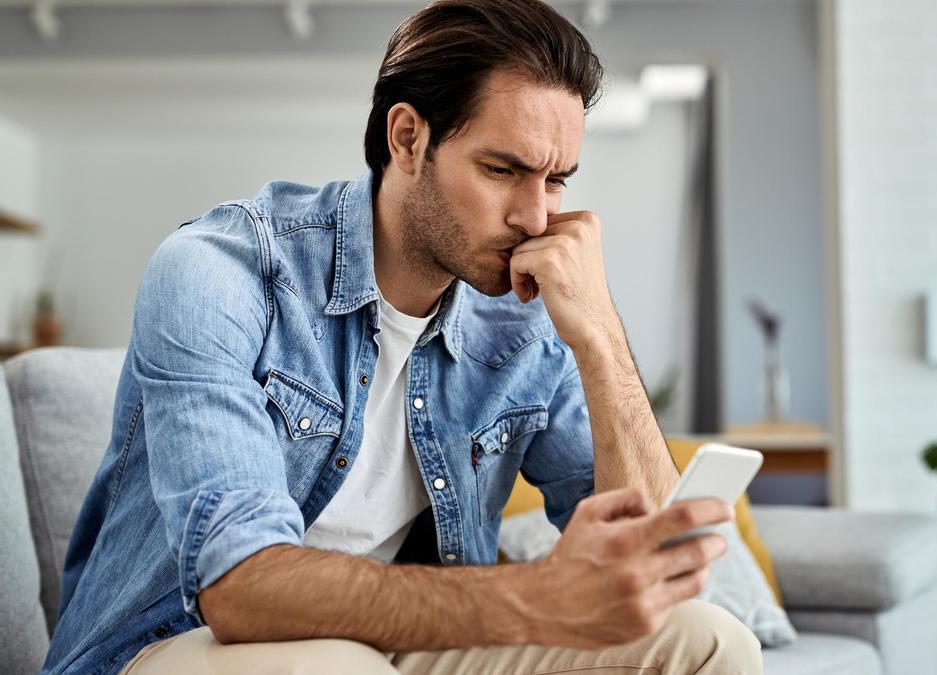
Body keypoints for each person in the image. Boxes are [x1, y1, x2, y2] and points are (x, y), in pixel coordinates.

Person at [40, 1, 762, 673]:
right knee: (333, 665)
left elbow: (658, 563)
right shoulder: (220, 271)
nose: (537, 218)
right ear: (408, 138)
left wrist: (600, 337)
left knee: (709, 641)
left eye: (557, 180)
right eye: (503, 170)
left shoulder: (522, 315)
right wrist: (543, 595)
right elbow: (240, 584)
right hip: (176, 643)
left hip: (400, 641)